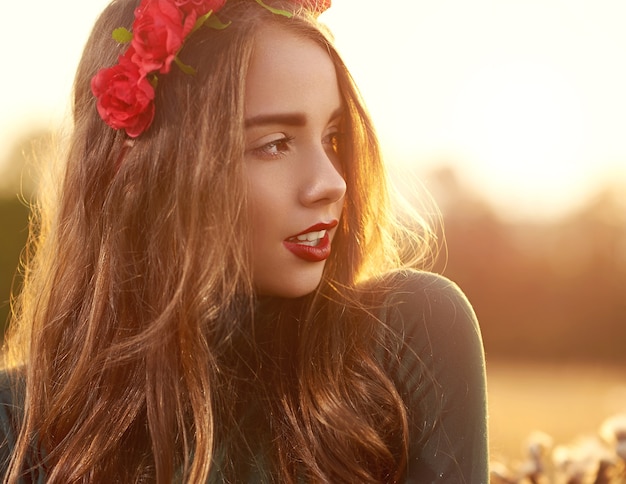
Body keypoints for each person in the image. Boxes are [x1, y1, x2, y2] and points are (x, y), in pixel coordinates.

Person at [0, 0, 488, 482]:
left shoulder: (407, 337)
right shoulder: (17, 423)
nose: (332, 182)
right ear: (139, 172)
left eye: (334, 138)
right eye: (274, 144)